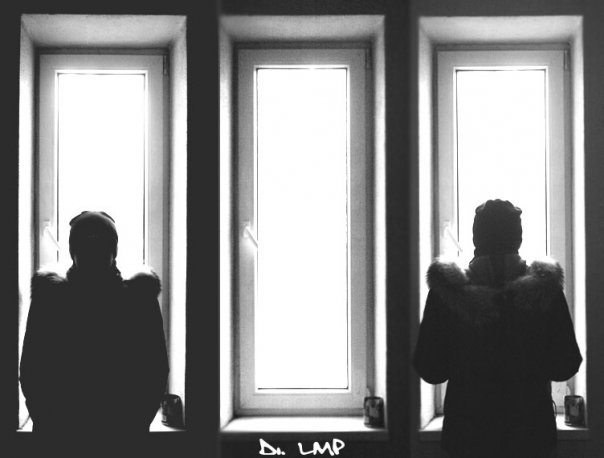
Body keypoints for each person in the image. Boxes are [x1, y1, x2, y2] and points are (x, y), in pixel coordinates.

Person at [413, 199, 582, 458]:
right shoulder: (544, 291)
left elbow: (430, 369)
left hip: (468, 435)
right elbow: (565, 366)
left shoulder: (446, 294)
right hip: (530, 434)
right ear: (518, 238)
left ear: (476, 238)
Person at [20, 211, 169, 445]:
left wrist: (134, 425)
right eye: (85, 245)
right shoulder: (50, 299)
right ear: (73, 251)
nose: (92, 253)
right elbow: (33, 371)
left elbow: (154, 371)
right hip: (65, 434)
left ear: (113, 250)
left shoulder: (139, 299)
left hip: (114, 434)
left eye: (100, 245)